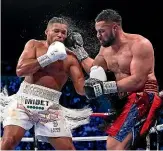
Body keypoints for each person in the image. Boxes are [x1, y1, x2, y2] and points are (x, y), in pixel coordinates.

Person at [67, 9, 162, 150]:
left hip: (143, 96)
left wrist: (104, 88)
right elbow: (95, 70)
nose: (98, 36)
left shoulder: (140, 44)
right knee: (121, 145)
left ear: (115, 28)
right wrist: (79, 50)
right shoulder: (105, 50)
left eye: (102, 31)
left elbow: (138, 81)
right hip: (123, 100)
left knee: (114, 144)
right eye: (97, 31)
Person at [0, 17, 92, 150]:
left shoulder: (70, 57)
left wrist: (95, 84)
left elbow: (81, 89)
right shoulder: (34, 45)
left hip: (50, 106)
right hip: (24, 100)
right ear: (47, 32)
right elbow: (20, 71)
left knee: (68, 149)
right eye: (56, 31)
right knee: (8, 141)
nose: (60, 35)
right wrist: (48, 58)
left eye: (63, 32)